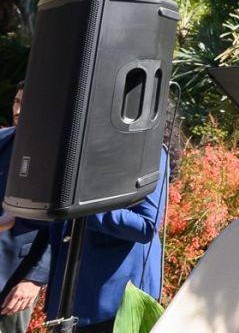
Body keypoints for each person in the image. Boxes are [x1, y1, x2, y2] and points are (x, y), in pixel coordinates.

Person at [44, 147, 167, 332]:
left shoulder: (149, 148)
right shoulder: (79, 141)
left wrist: (80, 205)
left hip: (114, 306)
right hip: (70, 297)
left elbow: (145, 226)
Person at [0, 83, 49, 333]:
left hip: (16, 274)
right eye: (17, 102)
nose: (18, 109)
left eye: (25, 103)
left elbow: (64, 226)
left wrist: (35, 279)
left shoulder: (58, 152)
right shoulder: (3, 138)